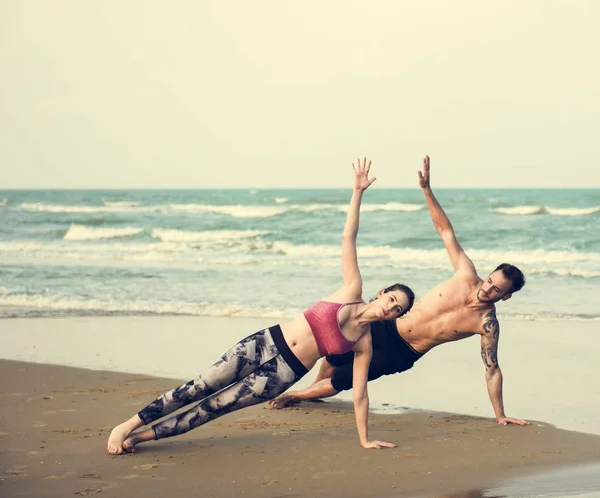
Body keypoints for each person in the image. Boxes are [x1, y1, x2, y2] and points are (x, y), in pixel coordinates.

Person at [106, 158, 416, 455]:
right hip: (263, 343)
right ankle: (126, 426)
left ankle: (141, 437)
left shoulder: (363, 344)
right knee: (199, 387)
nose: (389, 310)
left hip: (283, 374)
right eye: (391, 300)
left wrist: (364, 439)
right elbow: (349, 237)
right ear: (382, 293)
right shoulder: (351, 290)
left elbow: (360, 394)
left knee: (214, 408)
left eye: (397, 311)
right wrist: (357, 192)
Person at [270, 156, 528, 427]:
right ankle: (314, 389)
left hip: (403, 351)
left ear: (506, 296)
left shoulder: (487, 325)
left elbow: (491, 368)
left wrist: (500, 415)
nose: (487, 289)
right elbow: (444, 230)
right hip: (388, 324)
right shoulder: (465, 273)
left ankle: (296, 395)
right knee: (336, 353)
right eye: (489, 280)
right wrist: (427, 190)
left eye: (496, 289)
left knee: (345, 379)